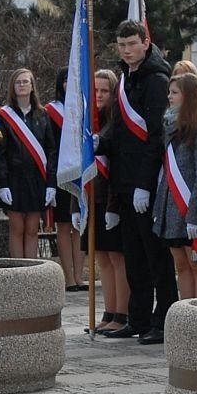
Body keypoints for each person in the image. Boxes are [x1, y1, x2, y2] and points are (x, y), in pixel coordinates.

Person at [95, 20, 178, 345]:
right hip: (125, 181)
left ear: (146, 42)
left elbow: (155, 136)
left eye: (132, 44)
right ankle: (139, 317)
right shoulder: (126, 78)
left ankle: (164, 318)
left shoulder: (156, 79)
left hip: (147, 183)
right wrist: (100, 143)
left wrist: (145, 183)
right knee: (134, 257)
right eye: (122, 45)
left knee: (155, 257)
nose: (127, 50)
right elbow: (120, 130)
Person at [152, 73, 197, 299]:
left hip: (191, 207)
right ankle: (186, 314)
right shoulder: (170, 126)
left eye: (174, 93)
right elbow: (167, 173)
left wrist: (195, 215)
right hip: (172, 210)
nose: (169, 97)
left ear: (188, 95)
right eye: (169, 92)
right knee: (181, 264)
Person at [78, 70, 129, 334]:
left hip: (111, 200)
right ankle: (109, 312)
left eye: (104, 91)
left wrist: (112, 206)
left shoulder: (116, 124)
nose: (98, 96)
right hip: (92, 198)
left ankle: (122, 313)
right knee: (102, 259)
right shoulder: (90, 124)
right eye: (95, 91)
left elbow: (116, 166)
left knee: (117, 258)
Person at [0, 68, 57, 258]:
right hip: (13, 179)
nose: (21, 85)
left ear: (32, 86)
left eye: (25, 82)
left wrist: (51, 183)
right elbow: (0, 153)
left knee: (32, 230)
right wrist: (3, 183)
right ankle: (18, 271)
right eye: (18, 82)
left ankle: (30, 273)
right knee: (17, 229)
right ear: (12, 87)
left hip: (37, 179)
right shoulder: (4, 116)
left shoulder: (43, 115)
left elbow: (51, 150)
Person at [47, 66, 86, 291]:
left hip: (82, 174)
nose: (67, 84)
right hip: (62, 174)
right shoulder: (51, 111)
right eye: (64, 80)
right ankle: (68, 277)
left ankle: (79, 276)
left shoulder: (84, 108)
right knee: (64, 225)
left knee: (79, 225)